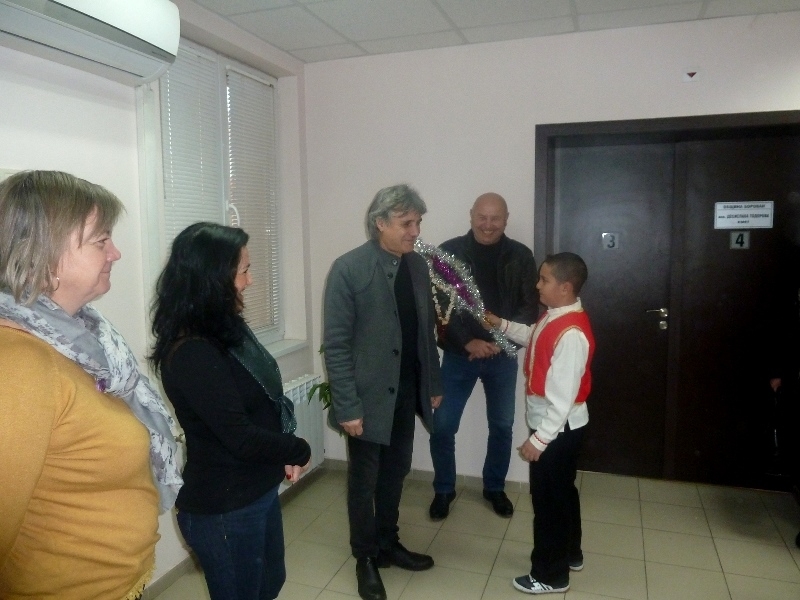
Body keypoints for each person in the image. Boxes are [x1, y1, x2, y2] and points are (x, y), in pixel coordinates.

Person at [0, 170, 182, 600]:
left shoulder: (80, 339)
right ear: (41, 253)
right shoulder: (20, 365)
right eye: (101, 241)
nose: (115, 252)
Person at [149, 222, 311, 600]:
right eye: (243, 271)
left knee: (270, 583)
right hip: (224, 507)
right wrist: (298, 448)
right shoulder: (193, 351)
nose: (250, 281)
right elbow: (240, 436)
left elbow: (262, 403)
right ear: (212, 279)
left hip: (256, 489)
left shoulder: (226, 330)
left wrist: (282, 448)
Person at [323, 184, 443, 600]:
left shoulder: (417, 267)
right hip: (367, 398)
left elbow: (425, 332)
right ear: (380, 223)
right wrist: (347, 406)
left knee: (396, 473)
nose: (415, 231)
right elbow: (336, 345)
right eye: (406, 223)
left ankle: (389, 543)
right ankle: (365, 557)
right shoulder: (348, 268)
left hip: (406, 393)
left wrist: (433, 382)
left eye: (418, 222)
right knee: (364, 482)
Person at [485, 252, 594, 594]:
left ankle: (550, 574)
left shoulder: (571, 333)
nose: (537, 285)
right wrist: (501, 324)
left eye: (544, 280)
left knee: (548, 503)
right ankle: (570, 553)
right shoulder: (556, 317)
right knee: (563, 494)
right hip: (559, 429)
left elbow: (563, 399)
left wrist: (540, 439)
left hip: (557, 430)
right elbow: (534, 335)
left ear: (565, 287)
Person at [429, 192, 539, 520]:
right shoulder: (448, 252)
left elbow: (528, 309)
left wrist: (499, 342)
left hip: (503, 356)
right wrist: (468, 342)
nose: (488, 225)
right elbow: (440, 306)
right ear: (471, 215)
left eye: (495, 218)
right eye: (482, 217)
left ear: (506, 219)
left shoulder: (521, 255)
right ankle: (443, 489)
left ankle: (494, 488)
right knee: (443, 426)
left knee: (502, 426)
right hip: (459, 355)